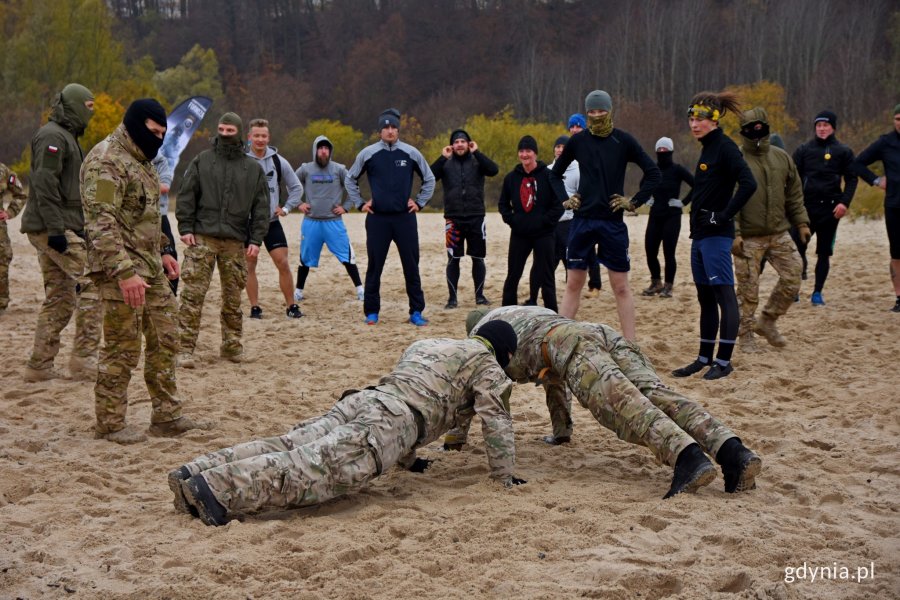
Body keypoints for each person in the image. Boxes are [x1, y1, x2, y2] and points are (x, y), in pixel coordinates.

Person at [166, 321, 522, 526]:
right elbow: (495, 422)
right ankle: (215, 490)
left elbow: (421, 391)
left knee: (289, 444)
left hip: (363, 400)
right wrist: (502, 476)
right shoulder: (488, 366)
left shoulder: (428, 343)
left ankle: (195, 471)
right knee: (311, 469)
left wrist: (409, 461)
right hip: (389, 421)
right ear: (505, 352)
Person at [456, 306, 762, 499]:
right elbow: (553, 375)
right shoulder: (520, 316)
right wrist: (562, 432)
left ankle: (687, 458)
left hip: (572, 346)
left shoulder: (484, 340)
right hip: (599, 333)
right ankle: (733, 451)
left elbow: (480, 393)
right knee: (657, 393)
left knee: (626, 409)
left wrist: (454, 441)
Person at [81, 99, 213, 444]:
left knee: (167, 337)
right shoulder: (106, 160)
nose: (156, 139)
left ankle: (166, 416)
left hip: (151, 266)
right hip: (118, 270)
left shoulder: (143, 160)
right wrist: (124, 274)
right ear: (136, 125)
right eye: (152, 132)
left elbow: (149, 216)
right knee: (122, 348)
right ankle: (110, 424)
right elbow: (101, 224)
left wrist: (165, 251)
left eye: (161, 134)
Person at [549, 90, 661, 340]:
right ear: (586, 112)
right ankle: (558, 343)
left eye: (601, 111)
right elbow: (554, 174)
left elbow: (654, 173)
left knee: (620, 287)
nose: (596, 116)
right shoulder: (577, 142)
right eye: (592, 112)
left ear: (610, 111)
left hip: (613, 223)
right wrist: (566, 200)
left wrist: (634, 202)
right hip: (582, 222)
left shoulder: (623, 141)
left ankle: (631, 345)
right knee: (573, 285)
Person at [19, 83, 102, 382]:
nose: (91, 113)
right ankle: (83, 361)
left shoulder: (68, 136)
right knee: (94, 283)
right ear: (74, 104)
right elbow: (44, 183)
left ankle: (39, 366)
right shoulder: (53, 136)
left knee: (60, 297)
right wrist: (57, 229)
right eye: (88, 106)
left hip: (58, 225)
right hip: (51, 228)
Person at [673, 91, 756, 380]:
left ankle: (724, 360)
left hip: (717, 236)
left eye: (700, 119)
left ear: (714, 121)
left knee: (723, 295)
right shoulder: (706, 147)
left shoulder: (725, 147)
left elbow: (748, 184)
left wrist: (724, 214)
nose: (694, 124)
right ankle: (704, 358)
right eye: (691, 119)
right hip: (699, 236)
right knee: (705, 297)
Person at [175, 113, 269, 367]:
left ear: (239, 132)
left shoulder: (252, 169)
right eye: (221, 129)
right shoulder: (202, 161)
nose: (225, 134)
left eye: (230, 130)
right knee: (192, 296)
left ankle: (231, 345)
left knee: (232, 298)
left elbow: (261, 208)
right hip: (202, 237)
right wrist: (185, 227)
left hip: (235, 241)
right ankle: (183, 349)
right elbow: (186, 196)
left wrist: (256, 239)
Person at [346, 108, 435, 326]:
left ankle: (416, 311)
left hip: (405, 218)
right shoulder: (368, 154)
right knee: (375, 265)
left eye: (393, 126)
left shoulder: (411, 153)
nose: (390, 131)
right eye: (385, 127)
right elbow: (350, 179)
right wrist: (360, 202)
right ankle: (372, 312)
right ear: (379, 131)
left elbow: (429, 178)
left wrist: (420, 202)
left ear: (398, 129)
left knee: (411, 265)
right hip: (378, 219)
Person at [733, 108, 810, 352]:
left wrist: (802, 222)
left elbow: (794, 194)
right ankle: (745, 335)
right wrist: (733, 233)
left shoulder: (782, 157)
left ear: (766, 126)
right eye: (750, 127)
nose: (755, 131)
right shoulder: (736, 159)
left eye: (760, 126)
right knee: (748, 289)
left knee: (794, 274)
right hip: (747, 236)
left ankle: (767, 321)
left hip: (778, 231)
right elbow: (728, 198)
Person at [791, 110, 858, 306]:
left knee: (823, 253)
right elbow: (792, 177)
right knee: (796, 249)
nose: (821, 129)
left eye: (825, 125)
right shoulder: (804, 150)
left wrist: (844, 203)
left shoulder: (843, 151)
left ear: (833, 127)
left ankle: (817, 292)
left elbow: (852, 179)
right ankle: (794, 288)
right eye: (818, 125)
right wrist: (793, 204)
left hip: (831, 210)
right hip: (805, 209)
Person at [430, 129, 499, 309]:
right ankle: (452, 299)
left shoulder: (478, 161)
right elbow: (429, 177)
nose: (459, 144)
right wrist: (442, 158)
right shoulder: (445, 163)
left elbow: (494, 170)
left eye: (463, 141)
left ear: (469, 144)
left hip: (476, 216)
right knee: (454, 259)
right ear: (451, 145)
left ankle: (480, 296)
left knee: (478, 258)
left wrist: (477, 152)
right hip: (453, 219)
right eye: (456, 142)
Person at [245, 118, 304, 319]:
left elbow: (296, 187)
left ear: (268, 137)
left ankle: (291, 306)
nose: (260, 139)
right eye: (256, 135)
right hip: (248, 224)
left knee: (283, 263)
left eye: (263, 136)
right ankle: (255, 307)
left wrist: (286, 208)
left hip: (271, 222)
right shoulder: (240, 160)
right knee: (249, 265)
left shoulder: (278, 161)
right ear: (249, 137)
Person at [294, 135, 365, 302]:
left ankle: (360, 289)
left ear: (330, 151)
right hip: (311, 222)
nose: (323, 151)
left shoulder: (339, 169)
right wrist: (298, 203)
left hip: (333, 222)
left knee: (347, 257)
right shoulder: (305, 169)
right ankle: (298, 291)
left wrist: (346, 207)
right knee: (305, 258)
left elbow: (353, 187)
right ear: (315, 150)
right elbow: (292, 184)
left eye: (326, 148)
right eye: (320, 148)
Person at [498, 136, 563, 312]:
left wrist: (545, 222)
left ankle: (553, 315)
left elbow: (560, 205)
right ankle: (507, 314)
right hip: (520, 234)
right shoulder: (511, 178)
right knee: (513, 276)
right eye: (521, 151)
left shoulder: (549, 176)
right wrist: (512, 220)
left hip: (544, 234)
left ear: (535, 153)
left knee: (547, 277)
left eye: (528, 151)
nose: (525, 154)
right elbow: (503, 204)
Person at [852, 103, 900, 312]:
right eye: (898, 119)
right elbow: (857, 163)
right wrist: (876, 180)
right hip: (894, 204)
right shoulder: (885, 142)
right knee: (897, 254)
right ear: (893, 120)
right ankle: (899, 298)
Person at [525, 133, 579, 306]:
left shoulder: (579, 169)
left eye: (563, 147)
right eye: (557, 146)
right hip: (550, 225)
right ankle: (533, 297)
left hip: (569, 223)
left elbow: (582, 195)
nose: (560, 149)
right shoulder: (547, 171)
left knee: (570, 263)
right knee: (542, 263)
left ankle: (569, 299)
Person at [641, 137, 694, 298]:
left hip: (672, 216)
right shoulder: (653, 169)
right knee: (650, 250)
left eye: (665, 151)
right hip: (655, 215)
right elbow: (643, 184)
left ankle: (668, 286)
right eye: (660, 151)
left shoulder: (677, 170)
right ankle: (656, 282)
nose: (662, 153)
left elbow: (696, 184)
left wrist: (683, 202)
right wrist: (646, 197)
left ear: (671, 152)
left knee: (668, 252)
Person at [0, 162, 27, 313]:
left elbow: (21, 195)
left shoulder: (3, 171)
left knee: (2, 261)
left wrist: (9, 212)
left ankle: (1, 304)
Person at [150, 153, 179, 296]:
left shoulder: (160, 160)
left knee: (170, 253)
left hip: (160, 215)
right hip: (134, 217)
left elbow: (164, 187)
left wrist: (137, 183)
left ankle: (171, 294)